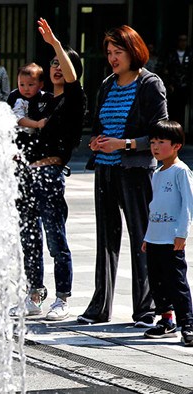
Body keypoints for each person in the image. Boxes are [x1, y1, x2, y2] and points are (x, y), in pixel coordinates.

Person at [79, 25, 168, 327]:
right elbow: (100, 124)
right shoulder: (107, 84)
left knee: (141, 238)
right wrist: (98, 140)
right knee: (106, 240)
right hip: (105, 169)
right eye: (109, 53)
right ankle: (99, 307)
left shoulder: (149, 84)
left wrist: (125, 144)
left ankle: (145, 309)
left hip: (136, 172)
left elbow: (160, 133)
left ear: (133, 52)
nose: (113, 58)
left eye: (118, 52)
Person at [11, 18, 85, 321]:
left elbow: (70, 79)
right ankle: (34, 294)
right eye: (52, 62)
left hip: (51, 174)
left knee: (56, 239)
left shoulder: (73, 100)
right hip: (26, 174)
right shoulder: (38, 99)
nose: (57, 67)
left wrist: (55, 42)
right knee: (29, 237)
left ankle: (62, 298)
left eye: (62, 63)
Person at [141, 120, 193, 346]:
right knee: (157, 282)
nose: (155, 146)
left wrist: (182, 233)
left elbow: (188, 205)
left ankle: (188, 324)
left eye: (161, 142)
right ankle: (166, 320)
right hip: (154, 238)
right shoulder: (157, 172)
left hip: (172, 240)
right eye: (153, 142)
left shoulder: (181, 172)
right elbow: (155, 207)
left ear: (176, 146)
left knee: (176, 283)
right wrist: (147, 236)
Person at [7, 62, 53, 133]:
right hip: (18, 135)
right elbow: (18, 118)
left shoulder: (46, 97)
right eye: (22, 84)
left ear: (41, 84)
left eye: (30, 85)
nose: (26, 89)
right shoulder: (15, 96)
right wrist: (37, 124)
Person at [163, 34, 192, 126]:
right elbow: (166, 70)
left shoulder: (190, 54)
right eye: (181, 40)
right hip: (173, 87)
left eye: (185, 40)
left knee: (183, 110)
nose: (183, 42)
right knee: (172, 109)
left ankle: (183, 130)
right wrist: (169, 84)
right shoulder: (171, 54)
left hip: (185, 87)